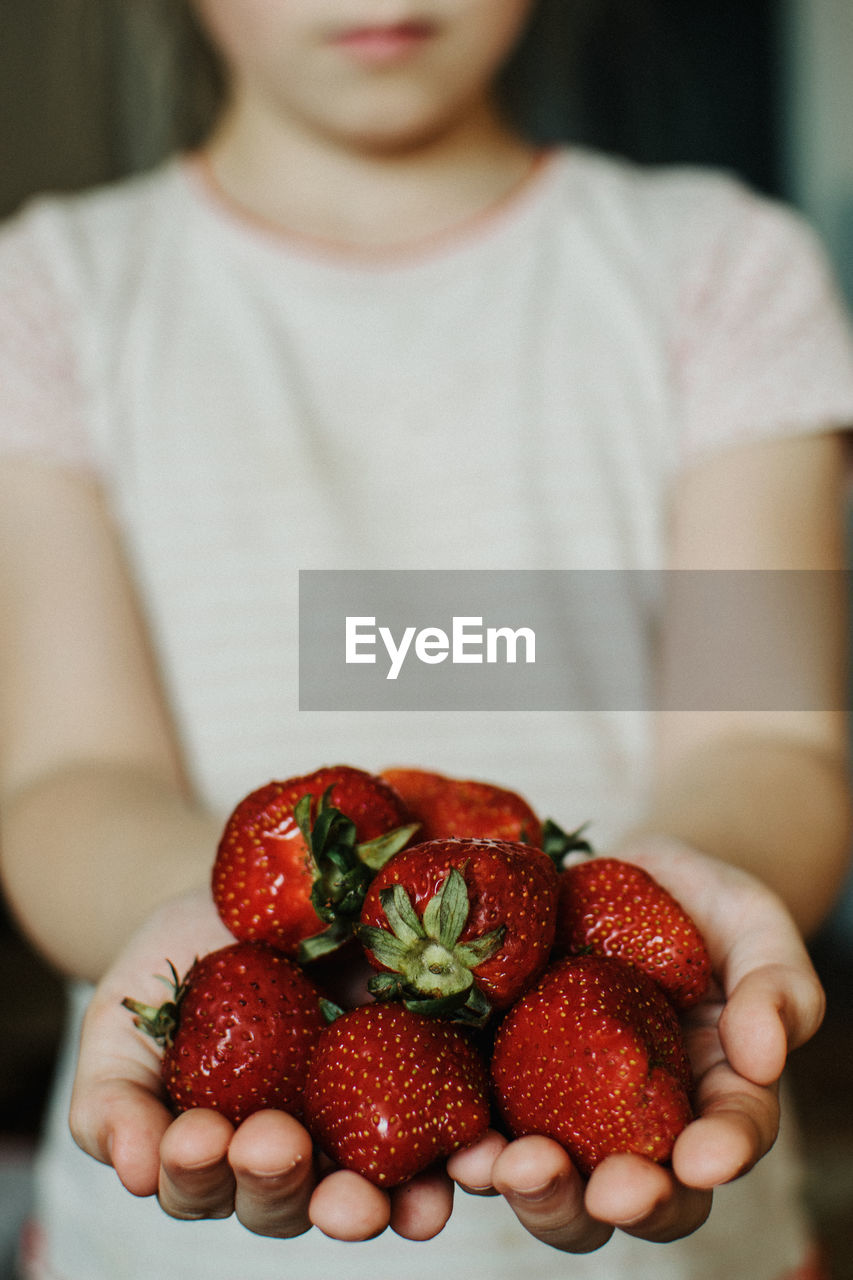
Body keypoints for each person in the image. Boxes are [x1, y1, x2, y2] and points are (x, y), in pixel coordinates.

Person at [1, 1, 852, 1277]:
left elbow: (763, 737)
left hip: (679, 1234)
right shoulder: (51, 296)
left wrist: (675, 899)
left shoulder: (724, 269)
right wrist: (241, 937)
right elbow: (67, 779)